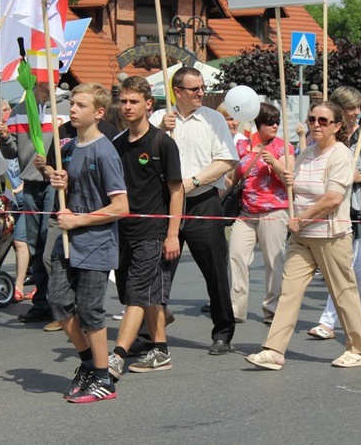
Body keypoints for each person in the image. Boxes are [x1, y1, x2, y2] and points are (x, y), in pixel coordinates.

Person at [245, 101, 361, 370]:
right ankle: (274, 350)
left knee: (342, 291)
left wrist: (301, 219)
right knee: (288, 290)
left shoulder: (341, 155)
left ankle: (357, 348)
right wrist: (287, 179)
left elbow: (333, 199)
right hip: (302, 235)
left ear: (337, 126)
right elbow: (294, 184)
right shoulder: (306, 153)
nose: (316, 125)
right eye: (312, 119)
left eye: (323, 121)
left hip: (330, 235)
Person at [46, 83, 128, 403]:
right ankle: (86, 363)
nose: (73, 109)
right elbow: (73, 187)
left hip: (95, 241)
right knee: (59, 302)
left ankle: (104, 378)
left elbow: (121, 207)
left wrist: (79, 220)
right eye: (72, 103)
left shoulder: (105, 150)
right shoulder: (69, 147)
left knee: (91, 311)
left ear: (99, 113)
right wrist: (60, 180)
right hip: (69, 238)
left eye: (81, 105)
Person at [148, 67, 238, 355]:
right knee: (157, 270)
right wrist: (160, 130)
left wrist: (193, 181)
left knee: (215, 272)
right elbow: (140, 157)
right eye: (194, 89)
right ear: (178, 92)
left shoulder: (213, 120)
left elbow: (227, 160)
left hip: (202, 201)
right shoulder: (157, 119)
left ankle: (223, 331)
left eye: (202, 87)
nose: (201, 93)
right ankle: (152, 326)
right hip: (165, 205)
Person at [107, 77, 183, 378]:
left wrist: (173, 233)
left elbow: (177, 191)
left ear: (148, 104)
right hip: (124, 231)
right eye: (123, 101)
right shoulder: (118, 143)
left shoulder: (162, 143)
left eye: (133, 101)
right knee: (143, 293)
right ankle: (160, 349)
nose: (127, 107)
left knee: (138, 295)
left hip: (153, 232)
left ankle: (117, 355)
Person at [307, 86, 361, 338]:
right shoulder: (327, 136)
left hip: (359, 208)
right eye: (352, 109)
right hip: (331, 204)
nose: (357, 113)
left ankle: (328, 321)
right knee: (356, 262)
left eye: (359, 108)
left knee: (342, 262)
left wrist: (356, 175)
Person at [0, 83, 69, 325]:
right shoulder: (19, 109)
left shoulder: (66, 107)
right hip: (30, 183)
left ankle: (62, 305)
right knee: (34, 245)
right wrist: (5, 138)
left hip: (54, 182)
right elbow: (11, 153)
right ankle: (42, 302)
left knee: (51, 245)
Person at [229, 103, 293, 324]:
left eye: (277, 121)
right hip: (246, 212)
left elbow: (288, 179)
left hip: (273, 211)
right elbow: (233, 178)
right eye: (270, 122)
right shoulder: (242, 147)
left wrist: (274, 161)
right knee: (236, 256)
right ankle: (236, 308)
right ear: (258, 124)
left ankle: (272, 308)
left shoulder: (284, 147)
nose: (275, 125)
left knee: (274, 261)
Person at [0, 96, 30, 301]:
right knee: (10, 238)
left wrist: (24, 185)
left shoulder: (21, 127)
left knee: (21, 241)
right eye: (0, 112)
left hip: (27, 190)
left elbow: (33, 158)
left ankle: (19, 286)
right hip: (10, 194)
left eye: (7, 108)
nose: (6, 113)